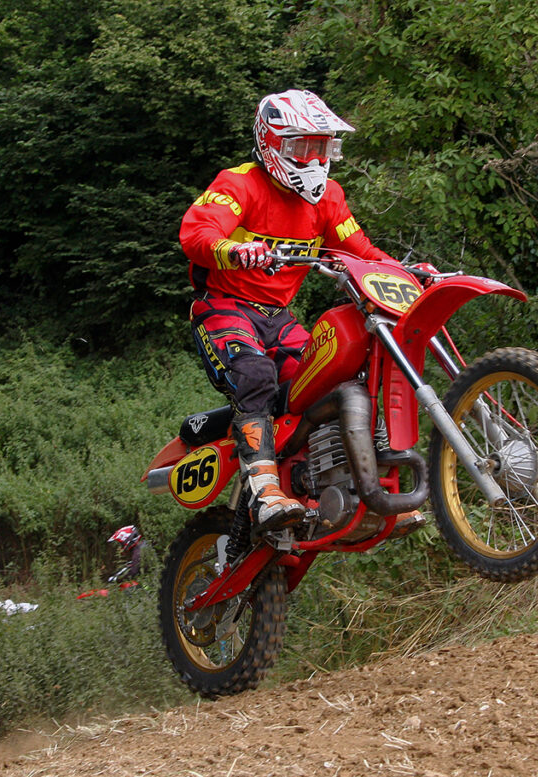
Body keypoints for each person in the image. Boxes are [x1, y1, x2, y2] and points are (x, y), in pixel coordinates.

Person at [180, 88, 424, 534]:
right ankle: (264, 489)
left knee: (332, 379)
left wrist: (410, 273)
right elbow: (197, 233)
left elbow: (361, 251)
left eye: (323, 147)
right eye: (303, 146)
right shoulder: (239, 184)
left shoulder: (327, 197)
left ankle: (357, 490)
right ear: (271, 143)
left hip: (279, 318)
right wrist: (233, 250)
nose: (314, 159)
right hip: (224, 307)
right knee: (255, 373)